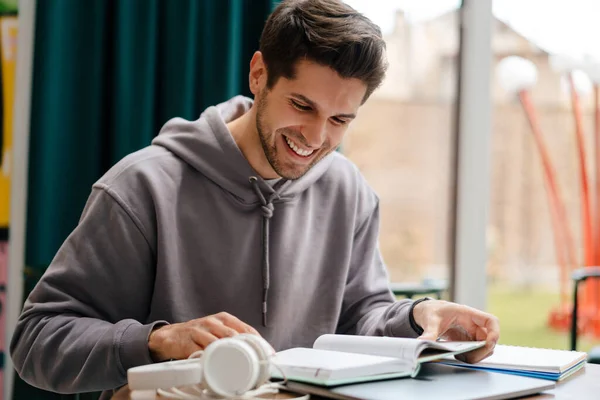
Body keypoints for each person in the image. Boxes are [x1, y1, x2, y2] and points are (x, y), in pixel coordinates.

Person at [10, 0, 500, 398]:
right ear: (259, 74)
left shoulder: (348, 191)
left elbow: (359, 318)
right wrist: (158, 341)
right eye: (302, 105)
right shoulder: (143, 187)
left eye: (339, 120)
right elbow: (36, 342)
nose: (314, 137)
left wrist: (419, 317)